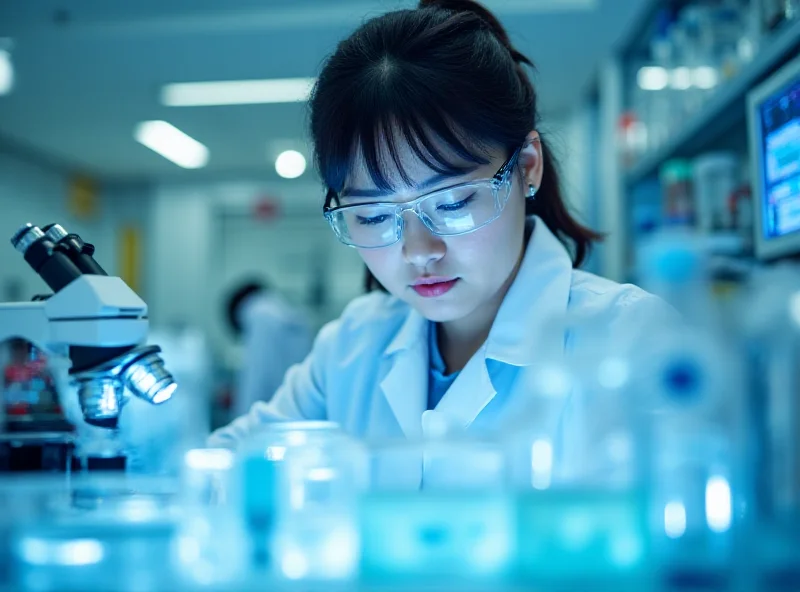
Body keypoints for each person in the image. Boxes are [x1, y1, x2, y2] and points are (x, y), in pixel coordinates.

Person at [209, 0, 671, 484]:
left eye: (452, 202)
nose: (418, 250)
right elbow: (225, 468)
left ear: (527, 166)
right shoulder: (352, 346)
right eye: (371, 215)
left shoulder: (631, 337)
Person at [225, 279, 314, 418]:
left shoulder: (259, 314)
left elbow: (256, 378)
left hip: (267, 417)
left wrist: (241, 418)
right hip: (296, 409)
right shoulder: (284, 310)